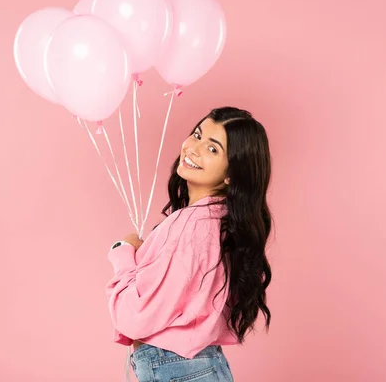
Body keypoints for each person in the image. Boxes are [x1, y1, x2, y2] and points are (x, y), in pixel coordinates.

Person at [106, 107, 273, 382]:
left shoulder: (195, 225)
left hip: (179, 369)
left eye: (213, 149)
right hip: (193, 367)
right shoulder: (217, 221)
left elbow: (133, 318)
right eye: (197, 135)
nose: (193, 149)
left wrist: (122, 253)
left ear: (232, 172)